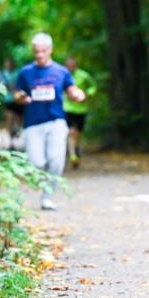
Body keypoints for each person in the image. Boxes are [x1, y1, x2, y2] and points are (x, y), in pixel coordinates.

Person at [15, 32, 86, 211]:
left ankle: (47, 197)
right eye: (36, 51)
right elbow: (17, 94)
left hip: (56, 122)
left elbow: (71, 89)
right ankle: (41, 184)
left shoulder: (61, 71)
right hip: (33, 123)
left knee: (55, 161)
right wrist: (21, 97)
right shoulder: (26, 72)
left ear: (50, 50)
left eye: (43, 51)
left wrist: (77, 94)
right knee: (37, 163)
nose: (40, 55)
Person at [63, 56, 97, 169]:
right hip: (67, 108)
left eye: (72, 66)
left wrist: (87, 94)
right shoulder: (62, 75)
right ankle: (72, 155)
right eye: (68, 66)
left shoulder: (83, 75)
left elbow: (93, 86)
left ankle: (76, 148)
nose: (70, 68)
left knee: (78, 133)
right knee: (71, 131)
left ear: (76, 65)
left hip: (81, 109)